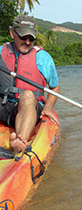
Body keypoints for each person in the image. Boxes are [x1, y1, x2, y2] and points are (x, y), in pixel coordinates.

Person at [0, 15, 59, 154]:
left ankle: (19, 142)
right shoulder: (1, 51)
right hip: (4, 105)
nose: (27, 42)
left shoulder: (43, 58)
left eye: (31, 38)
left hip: (29, 107)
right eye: (23, 37)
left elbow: (54, 87)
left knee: (27, 95)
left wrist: (48, 108)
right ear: (12, 33)